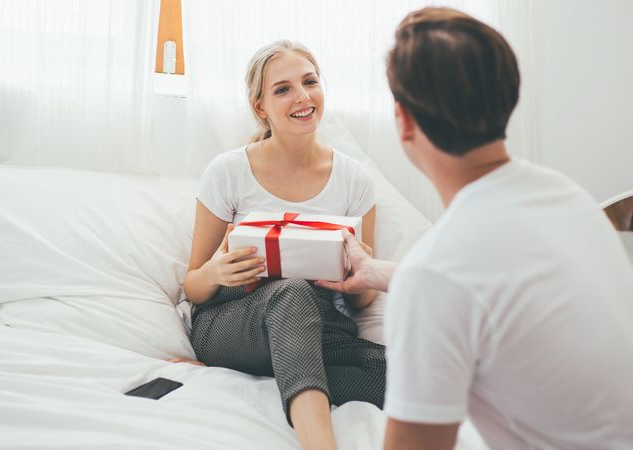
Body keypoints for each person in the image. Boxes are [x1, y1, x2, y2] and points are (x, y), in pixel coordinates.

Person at [318, 7, 633, 450]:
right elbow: (492, 285)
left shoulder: (437, 275)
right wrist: (376, 272)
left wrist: (413, 283)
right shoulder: (566, 198)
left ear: (404, 121)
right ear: (509, 95)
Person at [182, 40, 385, 450]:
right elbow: (192, 285)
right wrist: (216, 271)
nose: (303, 97)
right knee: (291, 293)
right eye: (283, 89)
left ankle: (281, 369)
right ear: (261, 107)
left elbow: (360, 303)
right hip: (233, 318)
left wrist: (358, 275)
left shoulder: (355, 180)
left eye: (310, 82)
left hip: (321, 325)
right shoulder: (228, 171)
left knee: (403, 375)